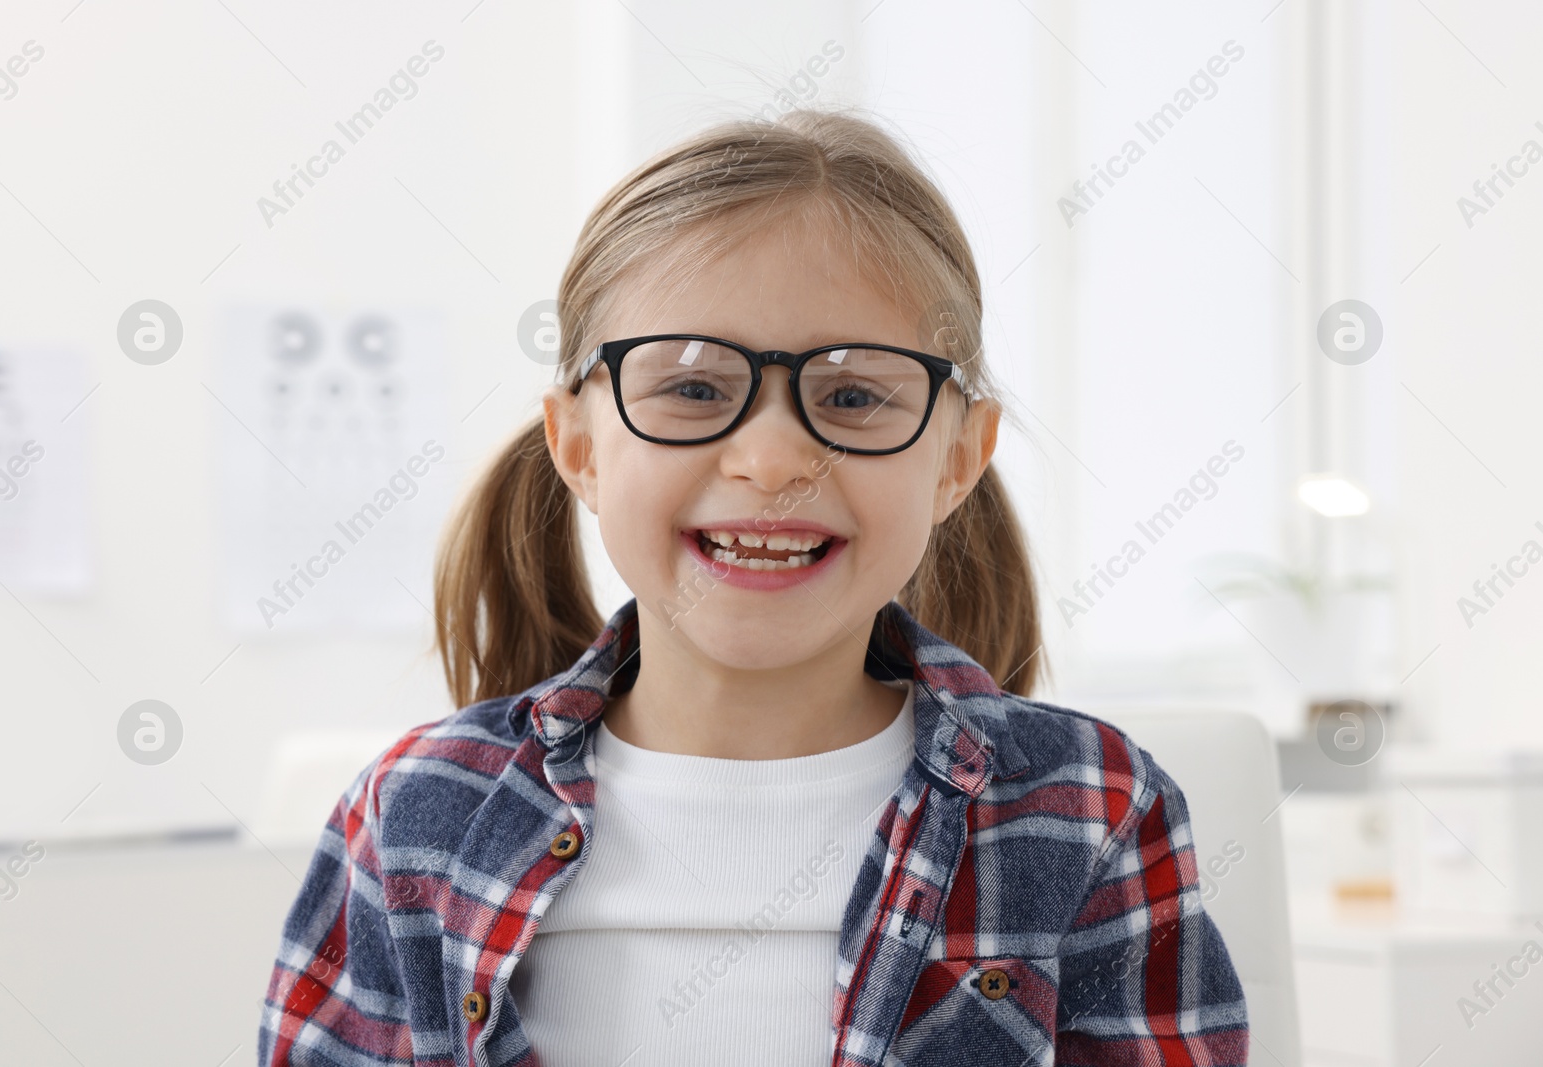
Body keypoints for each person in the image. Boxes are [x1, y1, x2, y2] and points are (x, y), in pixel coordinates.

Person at [257, 107, 1248, 1067]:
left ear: (958, 458)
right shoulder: (410, 820)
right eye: (690, 387)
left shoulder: (1094, 814)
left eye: (853, 395)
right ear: (577, 445)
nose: (772, 458)